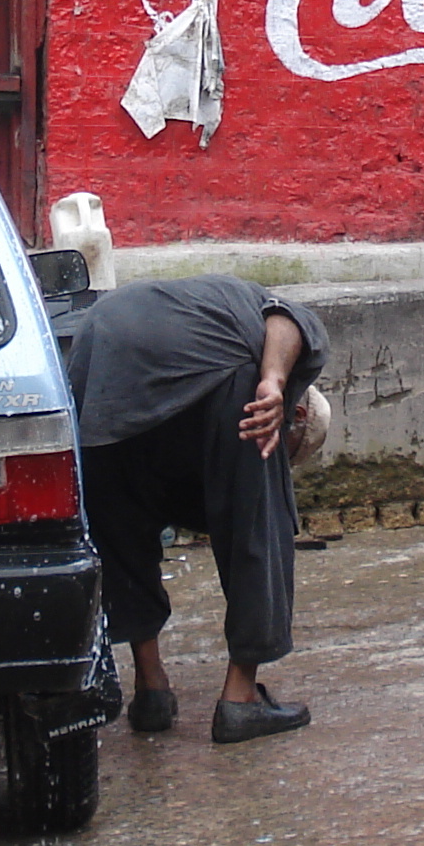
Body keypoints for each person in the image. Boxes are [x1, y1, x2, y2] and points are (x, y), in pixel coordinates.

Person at [63, 274, 329, 744]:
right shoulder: (269, 353)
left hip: (98, 357)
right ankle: (240, 700)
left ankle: (151, 691)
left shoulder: (204, 298)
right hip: (205, 364)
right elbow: (289, 319)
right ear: (298, 416)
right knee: (261, 520)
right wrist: (272, 381)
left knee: (121, 527)